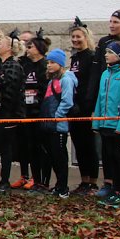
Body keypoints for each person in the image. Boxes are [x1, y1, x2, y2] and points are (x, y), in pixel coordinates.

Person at [87, 10, 120, 199]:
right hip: (106, 117)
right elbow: (98, 80)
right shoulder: (105, 67)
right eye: (110, 21)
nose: (111, 25)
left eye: (115, 21)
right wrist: (95, 111)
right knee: (107, 153)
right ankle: (110, 185)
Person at [0, 31, 25, 191]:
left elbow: (10, 89)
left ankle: (4, 181)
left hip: (6, 115)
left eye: (0, 44)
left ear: (8, 47)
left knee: (5, 150)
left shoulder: (13, 65)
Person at [38, 49, 76, 198]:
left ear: (60, 64)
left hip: (58, 125)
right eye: (48, 62)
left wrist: (57, 116)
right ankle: (59, 185)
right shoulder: (51, 80)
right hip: (48, 125)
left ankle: (63, 187)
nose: (49, 65)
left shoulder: (66, 79)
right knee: (53, 156)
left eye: (52, 62)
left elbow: (67, 101)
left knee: (60, 157)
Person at [16, 30, 50, 191]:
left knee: (40, 148)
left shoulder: (45, 65)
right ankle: (34, 179)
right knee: (29, 147)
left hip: (39, 113)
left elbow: (44, 88)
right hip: (27, 112)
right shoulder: (26, 65)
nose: (27, 49)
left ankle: (43, 180)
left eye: (30, 47)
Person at [68, 17, 99, 194]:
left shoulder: (92, 57)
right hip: (74, 107)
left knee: (89, 145)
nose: (75, 40)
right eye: (73, 37)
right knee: (78, 145)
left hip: (86, 108)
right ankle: (84, 180)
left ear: (86, 37)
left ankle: (93, 182)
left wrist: (88, 105)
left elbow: (91, 83)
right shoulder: (75, 58)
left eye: (78, 37)